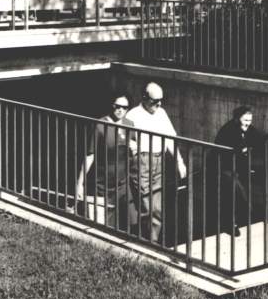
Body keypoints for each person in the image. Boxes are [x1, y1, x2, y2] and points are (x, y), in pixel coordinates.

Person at [125, 82, 187, 243]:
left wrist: (179, 161)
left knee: (157, 208)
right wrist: (134, 152)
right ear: (144, 98)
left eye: (161, 100)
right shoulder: (132, 115)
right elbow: (124, 139)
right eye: (155, 101)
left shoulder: (161, 113)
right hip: (142, 162)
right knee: (146, 205)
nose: (159, 104)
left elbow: (170, 139)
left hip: (160, 161)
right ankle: (145, 239)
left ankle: (152, 241)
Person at [73, 94, 139, 230]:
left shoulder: (130, 125)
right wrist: (80, 184)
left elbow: (134, 155)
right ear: (112, 106)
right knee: (101, 224)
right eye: (117, 106)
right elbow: (89, 156)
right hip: (102, 186)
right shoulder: (100, 126)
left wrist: (135, 150)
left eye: (124, 107)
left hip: (122, 185)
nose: (121, 110)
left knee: (131, 222)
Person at [213, 106, 264, 237]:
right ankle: (232, 223)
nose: (248, 123)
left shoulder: (247, 129)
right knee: (236, 193)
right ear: (237, 119)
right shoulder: (228, 130)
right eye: (245, 120)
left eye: (250, 120)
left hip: (237, 167)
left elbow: (258, 139)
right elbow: (229, 149)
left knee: (235, 194)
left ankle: (234, 222)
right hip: (223, 167)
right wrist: (243, 149)